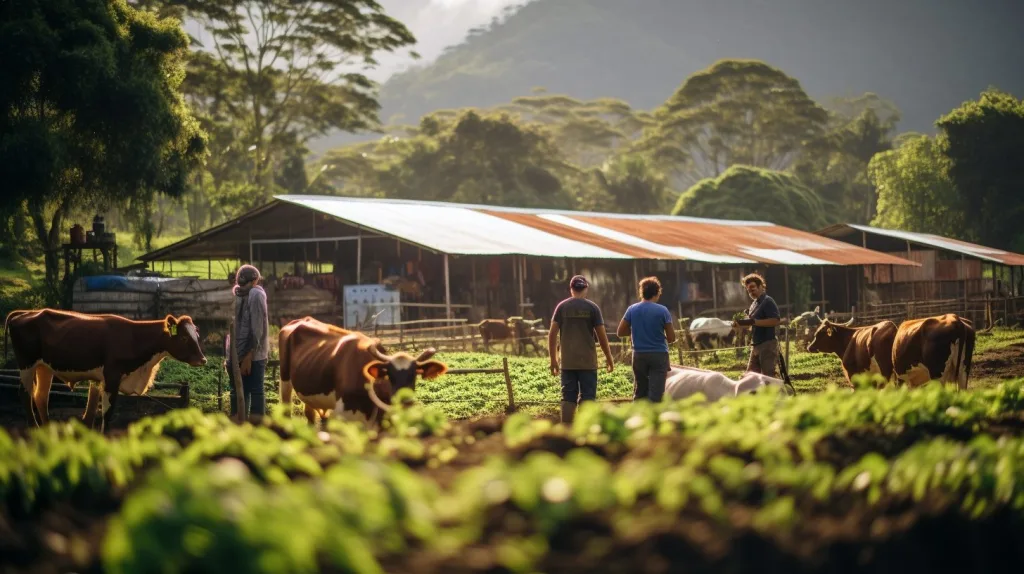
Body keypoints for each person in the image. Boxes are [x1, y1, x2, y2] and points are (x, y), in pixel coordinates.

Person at [548, 275, 615, 424]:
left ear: (571, 289)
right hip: (588, 363)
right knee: (588, 397)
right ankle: (585, 429)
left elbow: (552, 334)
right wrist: (609, 358)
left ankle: (566, 431)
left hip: (568, 363)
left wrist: (554, 359)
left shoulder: (562, 307)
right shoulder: (592, 308)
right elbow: (602, 337)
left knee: (568, 397)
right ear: (586, 289)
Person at [617, 276, 676, 403]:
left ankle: (638, 420)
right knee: (656, 394)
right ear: (657, 292)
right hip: (658, 356)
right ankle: (653, 419)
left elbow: (620, 332)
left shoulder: (632, 309)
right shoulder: (663, 310)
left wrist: (636, 332)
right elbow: (671, 338)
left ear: (641, 292)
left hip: (639, 355)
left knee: (640, 392)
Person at [226, 264, 269, 419]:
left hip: (244, 353)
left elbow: (255, 327)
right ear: (255, 279)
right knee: (247, 390)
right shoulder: (250, 294)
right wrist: (244, 355)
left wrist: (243, 355)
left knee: (245, 390)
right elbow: (253, 327)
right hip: (246, 353)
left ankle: (247, 427)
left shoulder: (246, 294)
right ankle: (248, 426)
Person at [734, 273, 781, 377]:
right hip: (755, 346)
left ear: (761, 286)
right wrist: (740, 325)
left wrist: (754, 322)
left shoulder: (768, 301)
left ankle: (780, 392)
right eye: (748, 290)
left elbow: (775, 320)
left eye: (752, 287)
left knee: (768, 377)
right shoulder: (754, 304)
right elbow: (752, 325)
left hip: (767, 345)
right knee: (750, 378)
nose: (750, 291)